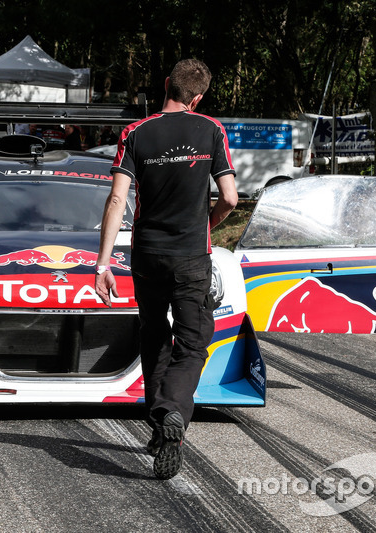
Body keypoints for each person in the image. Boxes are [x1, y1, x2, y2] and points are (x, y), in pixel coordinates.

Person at [95, 59, 237, 480]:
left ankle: (159, 425)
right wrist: (204, 227)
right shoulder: (212, 130)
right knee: (192, 344)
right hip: (193, 256)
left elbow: (117, 202)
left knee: (154, 334)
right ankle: (173, 412)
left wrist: (102, 264)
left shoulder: (135, 133)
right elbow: (229, 197)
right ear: (198, 98)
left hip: (147, 256)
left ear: (165, 86)